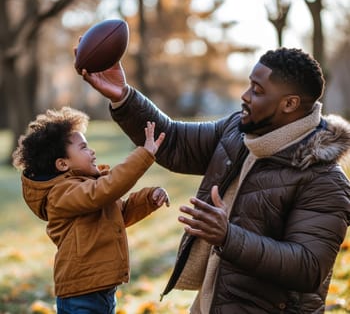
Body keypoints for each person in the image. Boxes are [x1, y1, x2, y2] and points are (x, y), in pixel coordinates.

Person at [78, 47, 350, 313]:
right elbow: (173, 140)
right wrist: (124, 97)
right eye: (249, 85)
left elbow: (309, 268)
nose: (245, 96)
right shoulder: (237, 131)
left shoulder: (324, 178)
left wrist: (228, 236)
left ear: (289, 103)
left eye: (258, 90)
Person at [12, 106, 170, 314]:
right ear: (62, 164)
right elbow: (105, 190)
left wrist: (149, 198)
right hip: (81, 292)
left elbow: (118, 215)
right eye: (84, 148)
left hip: (100, 287)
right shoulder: (61, 194)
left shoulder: (87, 188)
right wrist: (144, 155)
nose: (92, 151)